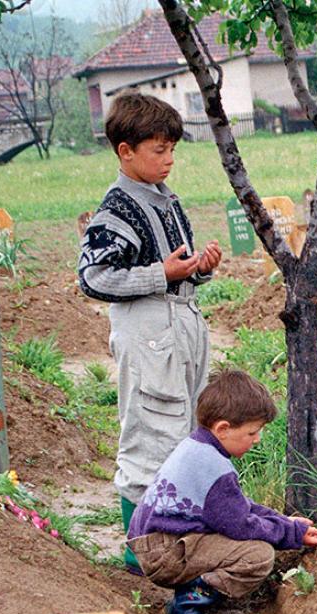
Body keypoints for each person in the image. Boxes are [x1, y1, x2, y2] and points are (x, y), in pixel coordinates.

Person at [77, 90, 224, 572]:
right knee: (149, 432)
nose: (169, 159)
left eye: (172, 150)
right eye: (159, 150)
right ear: (126, 151)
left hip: (181, 321)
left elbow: (176, 266)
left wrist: (198, 268)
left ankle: (176, 539)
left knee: (184, 428)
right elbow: (93, 277)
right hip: (146, 331)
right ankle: (138, 552)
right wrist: (161, 275)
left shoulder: (166, 201)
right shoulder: (116, 209)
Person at [128, 370, 317, 614]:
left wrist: (286, 523)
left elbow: (240, 505)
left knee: (249, 544)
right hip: (163, 554)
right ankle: (188, 604)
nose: (257, 439)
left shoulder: (198, 447)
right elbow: (241, 525)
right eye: (252, 432)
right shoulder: (213, 467)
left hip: (159, 543)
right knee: (257, 556)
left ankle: (192, 594)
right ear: (223, 428)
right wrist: (291, 535)